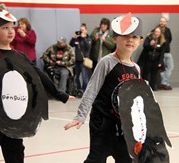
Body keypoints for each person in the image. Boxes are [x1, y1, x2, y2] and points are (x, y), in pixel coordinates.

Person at [0, 4, 74, 162]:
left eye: (12, 27)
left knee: (16, 154)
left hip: (12, 119)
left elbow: (38, 75)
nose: (11, 31)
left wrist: (58, 94)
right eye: (4, 28)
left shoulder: (20, 56)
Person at [64, 13, 143, 163]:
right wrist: (81, 115)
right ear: (114, 38)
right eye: (125, 35)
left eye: (134, 37)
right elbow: (92, 89)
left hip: (124, 127)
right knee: (96, 159)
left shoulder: (136, 69)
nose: (130, 40)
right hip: (102, 123)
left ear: (140, 41)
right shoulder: (106, 62)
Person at [70, 23, 92, 93]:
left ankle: (85, 90)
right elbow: (71, 45)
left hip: (84, 60)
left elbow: (88, 47)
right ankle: (79, 89)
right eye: (80, 30)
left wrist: (84, 38)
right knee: (76, 77)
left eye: (82, 30)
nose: (81, 31)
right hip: (77, 60)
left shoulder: (88, 38)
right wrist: (73, 38)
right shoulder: (77, 39)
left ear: (86, 31)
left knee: (85, 77)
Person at [157, 17, 174, 90]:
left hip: (167, 52)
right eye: (161, 21)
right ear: (159, 22)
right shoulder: (156, 30)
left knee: (170, 67)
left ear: (166, 22)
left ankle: (163, 82)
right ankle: (164, 83)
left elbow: (170, 39)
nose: (162, 22)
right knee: (162, 69)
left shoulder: (168, 30)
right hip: (160, 53)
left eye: (163, 21)